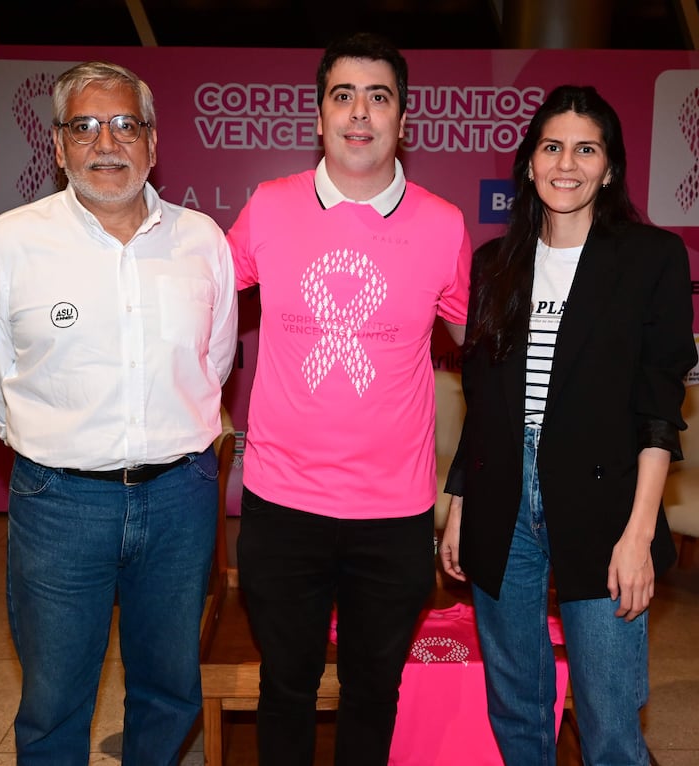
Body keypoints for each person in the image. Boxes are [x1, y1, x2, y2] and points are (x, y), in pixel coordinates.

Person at [0, 61, 237, 765]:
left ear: (151, 142)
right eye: (84, 127)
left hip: (180, 496)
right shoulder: (4, 248)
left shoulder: (203, 242)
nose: (105, 143)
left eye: (124, 125)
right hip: (59, 502)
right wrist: (55, 446)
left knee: (170, 689)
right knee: (54, 700)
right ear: (57, 147)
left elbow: (216, 361)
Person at [226, 31, 472, 766]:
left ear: (403, 117)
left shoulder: (444, 223)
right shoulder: (268, 207)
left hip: (394, 515)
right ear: (319, 115)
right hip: (281, 504)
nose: (359, 113)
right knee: (287, 688)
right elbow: (193, 305)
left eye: (378, 96)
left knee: (375, 692)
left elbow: (490, 361)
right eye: (343, 96)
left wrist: (465, 488)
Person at [440, 84, 697, 766]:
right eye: (552, 146)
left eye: (587, 149)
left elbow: (657, 408)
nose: (567, 163)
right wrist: (462, 499)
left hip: (607, 502)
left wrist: (639, 534)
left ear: (609, 168)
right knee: (518, 707)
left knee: (610, 723)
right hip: (502, 498)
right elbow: (484, 400)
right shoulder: (494, 265)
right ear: (530, 162)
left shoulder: (651, 260)